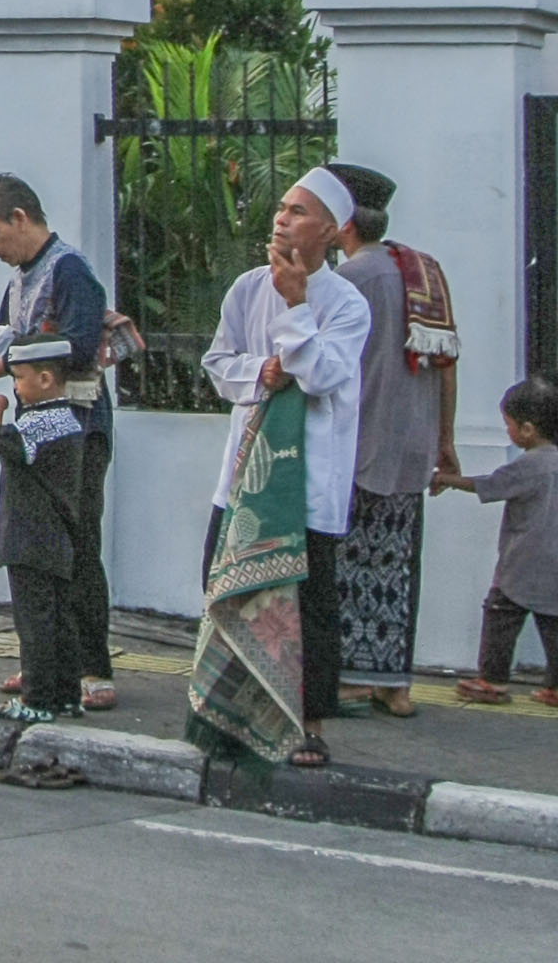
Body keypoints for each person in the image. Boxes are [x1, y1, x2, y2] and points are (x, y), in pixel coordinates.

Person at [196, 167, 371, 771]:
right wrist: (257, 373)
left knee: (308, 608)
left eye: (298, 211)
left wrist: (296, 306)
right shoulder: (247, 288)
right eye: (280, 208)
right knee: (223, 587)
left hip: (310, 485)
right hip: (245, 475)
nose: (281, 218)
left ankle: (309, 726)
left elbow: (322, 375)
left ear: (331, 230)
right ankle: (226, 718)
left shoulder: (348, 304)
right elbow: (220, 364)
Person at [0, 173, 117, 712]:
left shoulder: (69, 270)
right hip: (36, 429)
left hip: (76, 429)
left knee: (75, 548)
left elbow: (76, 347)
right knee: (37, 555)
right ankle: (47, 664)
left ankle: (92, 665)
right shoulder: (20, 279)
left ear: (20, 219)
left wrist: (4, 364)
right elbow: (2, 340)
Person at [327, 164, 454, 718]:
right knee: (399, 563)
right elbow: (446, 362)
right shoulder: (425, 270)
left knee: (349, 565)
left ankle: (353, 679)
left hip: (359, 446)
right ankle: (395, 684)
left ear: (343, 223)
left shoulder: (349, 280)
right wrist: (445, 439)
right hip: (413, 445)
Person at [441, 377, 558, 709]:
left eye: (509, 425)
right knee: (552, 625)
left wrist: (446, 479)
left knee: (500, 615)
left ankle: (493, 680)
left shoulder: (531, 465)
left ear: (528, 429)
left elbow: (492, 485)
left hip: (523, 561)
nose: (507, 432)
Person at [0, 337, 99, 726]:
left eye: (19, 378)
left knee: (34, 623)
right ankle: (67, 695)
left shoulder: (39, 422)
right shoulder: (69, 420)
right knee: (61, 619)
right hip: (57, 538)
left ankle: (38, 699)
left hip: (30, 539)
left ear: (46, 379)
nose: (15, 387)